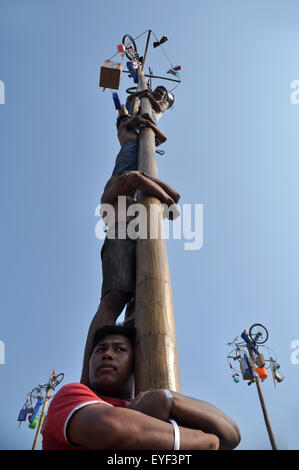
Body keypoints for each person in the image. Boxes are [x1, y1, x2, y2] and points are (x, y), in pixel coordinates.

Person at [79, 113, 180, 387]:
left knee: (141, 307)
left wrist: (165, 194)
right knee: (114, 298)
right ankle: (88, 375)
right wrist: (166, 196)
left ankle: (131, 378)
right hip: (121, 235)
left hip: (142, 238)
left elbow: (167, 191)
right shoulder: (123, 161)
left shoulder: (135, 149)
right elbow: (131, 178)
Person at [42, 325, 241, 450]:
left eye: (119, 349)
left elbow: (231, 435)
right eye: (101, 349)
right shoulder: (71, 395)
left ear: (136, 364)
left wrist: (169, 399)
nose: (107, 355)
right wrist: (205, 441)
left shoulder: (158, 404)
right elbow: (115, 430)